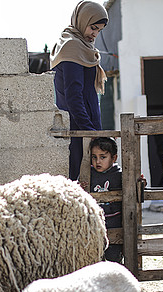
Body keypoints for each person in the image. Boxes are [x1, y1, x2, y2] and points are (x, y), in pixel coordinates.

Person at [50, 1, 108, 181]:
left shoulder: (83, 46)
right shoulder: (72, 47)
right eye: (93, 28)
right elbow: (73, 97)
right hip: (78, 131)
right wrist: (90, 133)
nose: (94, 34)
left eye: (99, 30)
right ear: (82, 20)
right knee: (79, 183)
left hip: (85, 129)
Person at [89, 137, 123, 263]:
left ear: (113, 158)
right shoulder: (88, 173)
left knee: (113, 256)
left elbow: (132, 188)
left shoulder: (119, 174)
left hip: (114, 221)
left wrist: (140, 183)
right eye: (94, 157)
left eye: (103, 157)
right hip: (95, 222)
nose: (98, 161)